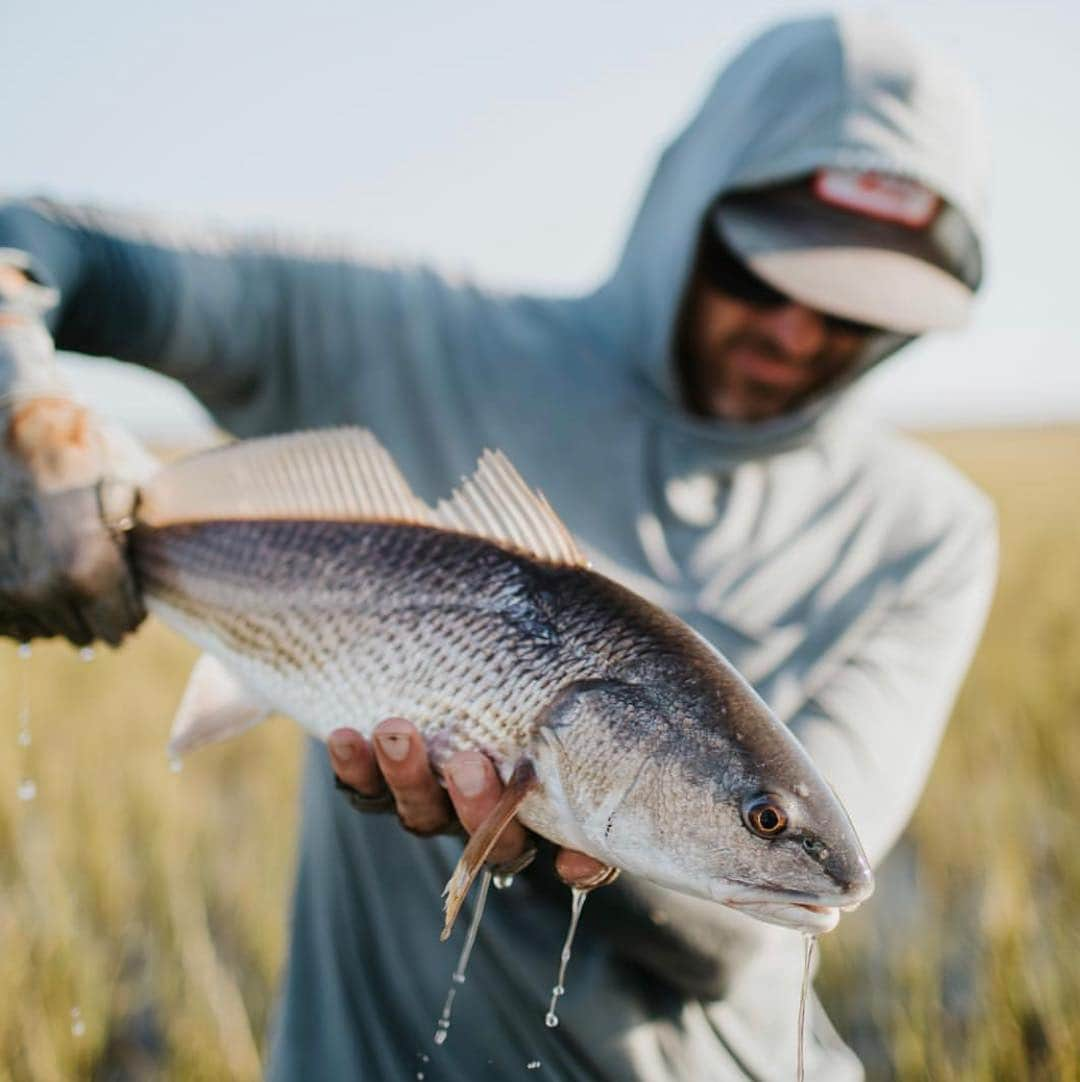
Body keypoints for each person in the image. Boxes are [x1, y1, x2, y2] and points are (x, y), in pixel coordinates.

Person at [0, 13, 997, 1081]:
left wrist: (563, 800)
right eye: (762, 271)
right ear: (689, 206)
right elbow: (47, 241)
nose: (797, 333)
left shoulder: (929, 530)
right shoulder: (414, 336)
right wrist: (19, 393)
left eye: (854, 306)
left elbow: (750, 921)